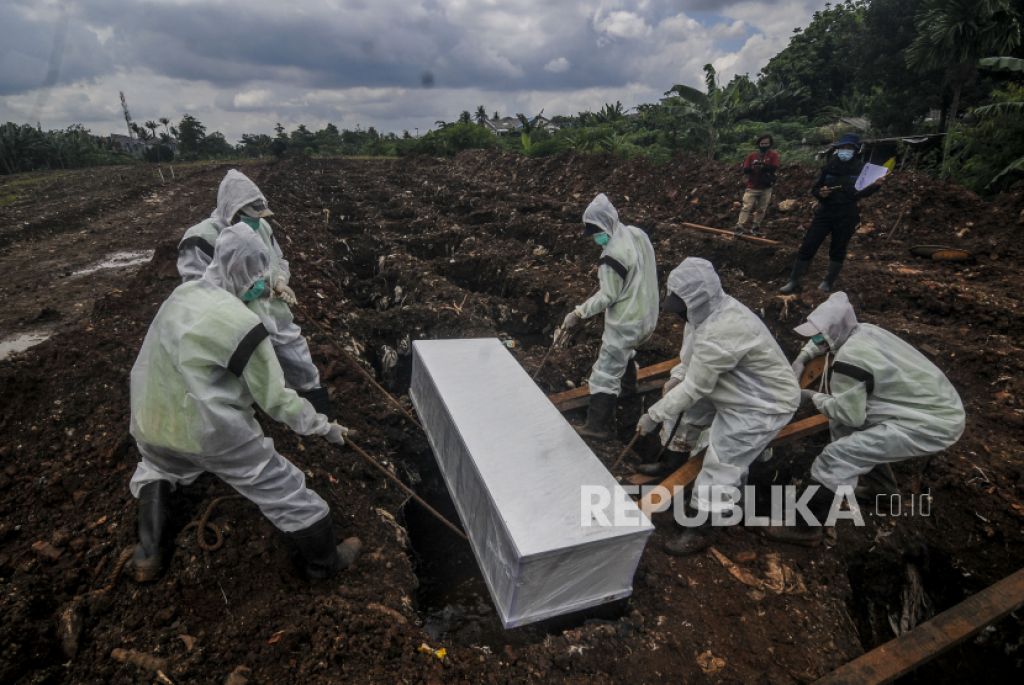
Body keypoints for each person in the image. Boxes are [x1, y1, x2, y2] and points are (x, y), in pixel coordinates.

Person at [129, 224, 362, 582]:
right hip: (208, 432)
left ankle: (147, 555)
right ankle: (324, 562)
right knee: (280, 486)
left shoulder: (184, 294)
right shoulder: (242, 324)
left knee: (158, 468)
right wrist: (324, 426)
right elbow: (277, 400)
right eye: (259, 276)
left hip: (151, 422)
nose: (262, 285)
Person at [764, 292, 965, 546]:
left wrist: (812, 397)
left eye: (819, 335)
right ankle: (883, 492)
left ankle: (806, 527)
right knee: (849, 432)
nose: (816, 339)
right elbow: (826, 340)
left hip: (931, 423)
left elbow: (850, 414)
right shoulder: (864, 330)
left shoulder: (849, 361)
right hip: (936, 404)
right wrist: (803, 356)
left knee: (838, 455)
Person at [635, 258, 801, 555]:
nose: (677, 312)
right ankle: (672, 463)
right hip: (727, 384)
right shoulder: (702, 315)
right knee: (686, 415)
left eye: (681, 304)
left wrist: (653, 414)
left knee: (722, 459)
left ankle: (705, 524)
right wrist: (676, 378)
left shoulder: (723, 330)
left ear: (696, 299)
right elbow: (690, 361)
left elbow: (696, 386)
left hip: (761, 402)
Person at [178, 169, 330, 415]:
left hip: (272, 310)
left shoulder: (263, 228)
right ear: (233, 211)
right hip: (232, 320)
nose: (256, 221)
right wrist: (245, 291)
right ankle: (250, 413)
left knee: (295, 353)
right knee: (244, 368)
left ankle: (313, 403)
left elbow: (277, 259)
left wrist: (280, 280)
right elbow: (196, 289)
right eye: (250, 216)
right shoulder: (201, 238)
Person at [558, 193, 659, 441]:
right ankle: (628, 389)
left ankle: (597, 426)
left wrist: (578, 313)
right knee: (624, 352)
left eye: (596, 232)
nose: (595, 237)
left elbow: (607, 296)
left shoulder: (611, 256)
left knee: (604, 370)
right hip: (647, 313)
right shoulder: (635, 234)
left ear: (605, 225)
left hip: (627, 320)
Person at [779, 133, 884, 294]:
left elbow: (861, 193)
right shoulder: (829, 166)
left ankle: (828, 282)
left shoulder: (862, 169)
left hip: (847, 213)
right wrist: (821, 193)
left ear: (855, 150)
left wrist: (875, 185)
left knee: (838, 248)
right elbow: (815, 189)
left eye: (849, 148)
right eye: (843, 147)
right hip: (825, 212)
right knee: (809, 244)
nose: (845, 151)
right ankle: (794, 280)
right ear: (837, 149)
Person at [735, 134, 780, 237]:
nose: (764, 145)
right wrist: (753, 168)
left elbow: (774, 167)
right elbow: (745, 169)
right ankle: (740, 226)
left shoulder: (773, 155)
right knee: (746, 206)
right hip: (752, 186)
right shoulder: (752, 156)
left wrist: (764, 166)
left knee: (761, 208)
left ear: (770, 144)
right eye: (762, 143)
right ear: (759, 144)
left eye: (766, 143)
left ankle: (755, 227)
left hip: (766, 187)